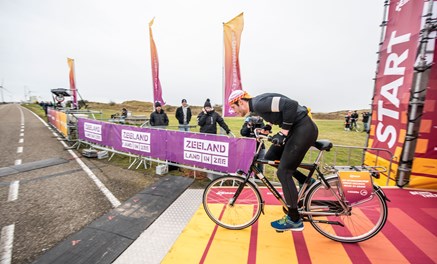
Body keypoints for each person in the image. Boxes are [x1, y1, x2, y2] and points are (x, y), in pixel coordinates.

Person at [228, 90, 318, 232]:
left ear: (240, 102)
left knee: (284, 172)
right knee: (270, 158)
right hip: (298, 129)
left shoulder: (258, 104)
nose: (233, 111)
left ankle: (294, 219)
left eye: (233, 107)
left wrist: (283, 133)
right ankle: (304, 180)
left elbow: (291, 105)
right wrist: (268, 128)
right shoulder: (256, 106)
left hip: (303, 129)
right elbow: (280, 113)